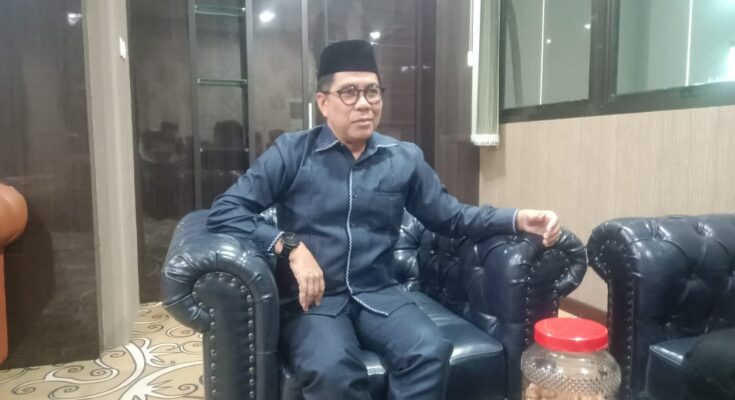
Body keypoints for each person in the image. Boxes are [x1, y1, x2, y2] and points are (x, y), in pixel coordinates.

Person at [207, 39, 561, 400]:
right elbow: (226, 210)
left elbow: (451, 216)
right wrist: (290, 246)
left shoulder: (403, 158)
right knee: (332, 370)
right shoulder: (292, 152)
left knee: (429, 352)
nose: (364, 103)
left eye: (372, 91)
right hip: (314, 302)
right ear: (323, 103)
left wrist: (517, 218)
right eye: (349, 92)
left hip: (378, 292)